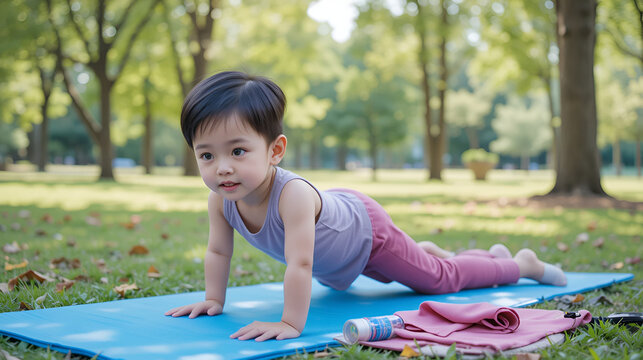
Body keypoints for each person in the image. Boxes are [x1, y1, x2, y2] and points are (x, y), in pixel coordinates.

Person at [164, 71, 567, 342]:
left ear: (275, 150)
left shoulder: (293, 196)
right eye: (207, 156)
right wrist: (215, 300)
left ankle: (521, 265)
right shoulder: (221, 200)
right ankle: (430, 251)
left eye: (237, 150)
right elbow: (218, 250)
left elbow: (300, 265)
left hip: (367, 236)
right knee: (407, 272)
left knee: (441, 280)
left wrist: (290, 323)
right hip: (341, 256)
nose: (223, 169)